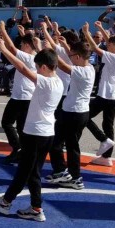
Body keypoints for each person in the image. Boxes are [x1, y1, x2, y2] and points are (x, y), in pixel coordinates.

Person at [0, 42, 63, 222]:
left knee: (25, 171)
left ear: (44, 67)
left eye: (37, 67)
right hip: (47, 133)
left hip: (35, 133)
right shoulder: (58, 81)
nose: (36, 70)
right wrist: (41, 46)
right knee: (33, 172)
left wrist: (4, 50)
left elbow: (22, 68)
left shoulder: (45, 82)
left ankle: (6, 202)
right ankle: (34, 207)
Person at [45, 40, 95, 190]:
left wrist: (50, 51)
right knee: (58, 143)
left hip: (74, 113)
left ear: (78, 57)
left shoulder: (82, 72)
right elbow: (73, 55)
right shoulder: (89, 67)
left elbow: (62, 65)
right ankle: (62, 171)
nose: (70, 58)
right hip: (75, 111)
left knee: (69, 146)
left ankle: (74, 177)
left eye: (72, 56)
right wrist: (66, 47)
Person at [84, 22, 115, 167]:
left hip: (105, 95)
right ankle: (106, 157)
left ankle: (103, 139)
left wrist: (86, 33)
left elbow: (95, 48)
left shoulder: (113, 58)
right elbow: (110, 40)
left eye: (111, 45)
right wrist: (101, 28)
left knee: (84, 116)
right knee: (108, 125)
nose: (107, 45)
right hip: (113, 96)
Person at [0, 25, 37, 163]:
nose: (20, 47)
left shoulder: (28, 57)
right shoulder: (36, 56)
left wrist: (3, 30)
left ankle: (18, 148)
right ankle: (22, 151)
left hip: (21, 96)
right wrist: (23, 33)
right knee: (21, 127)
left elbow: (12, 49)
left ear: (27, 45)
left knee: (7, 122)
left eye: (22, 44)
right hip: (26, 95)